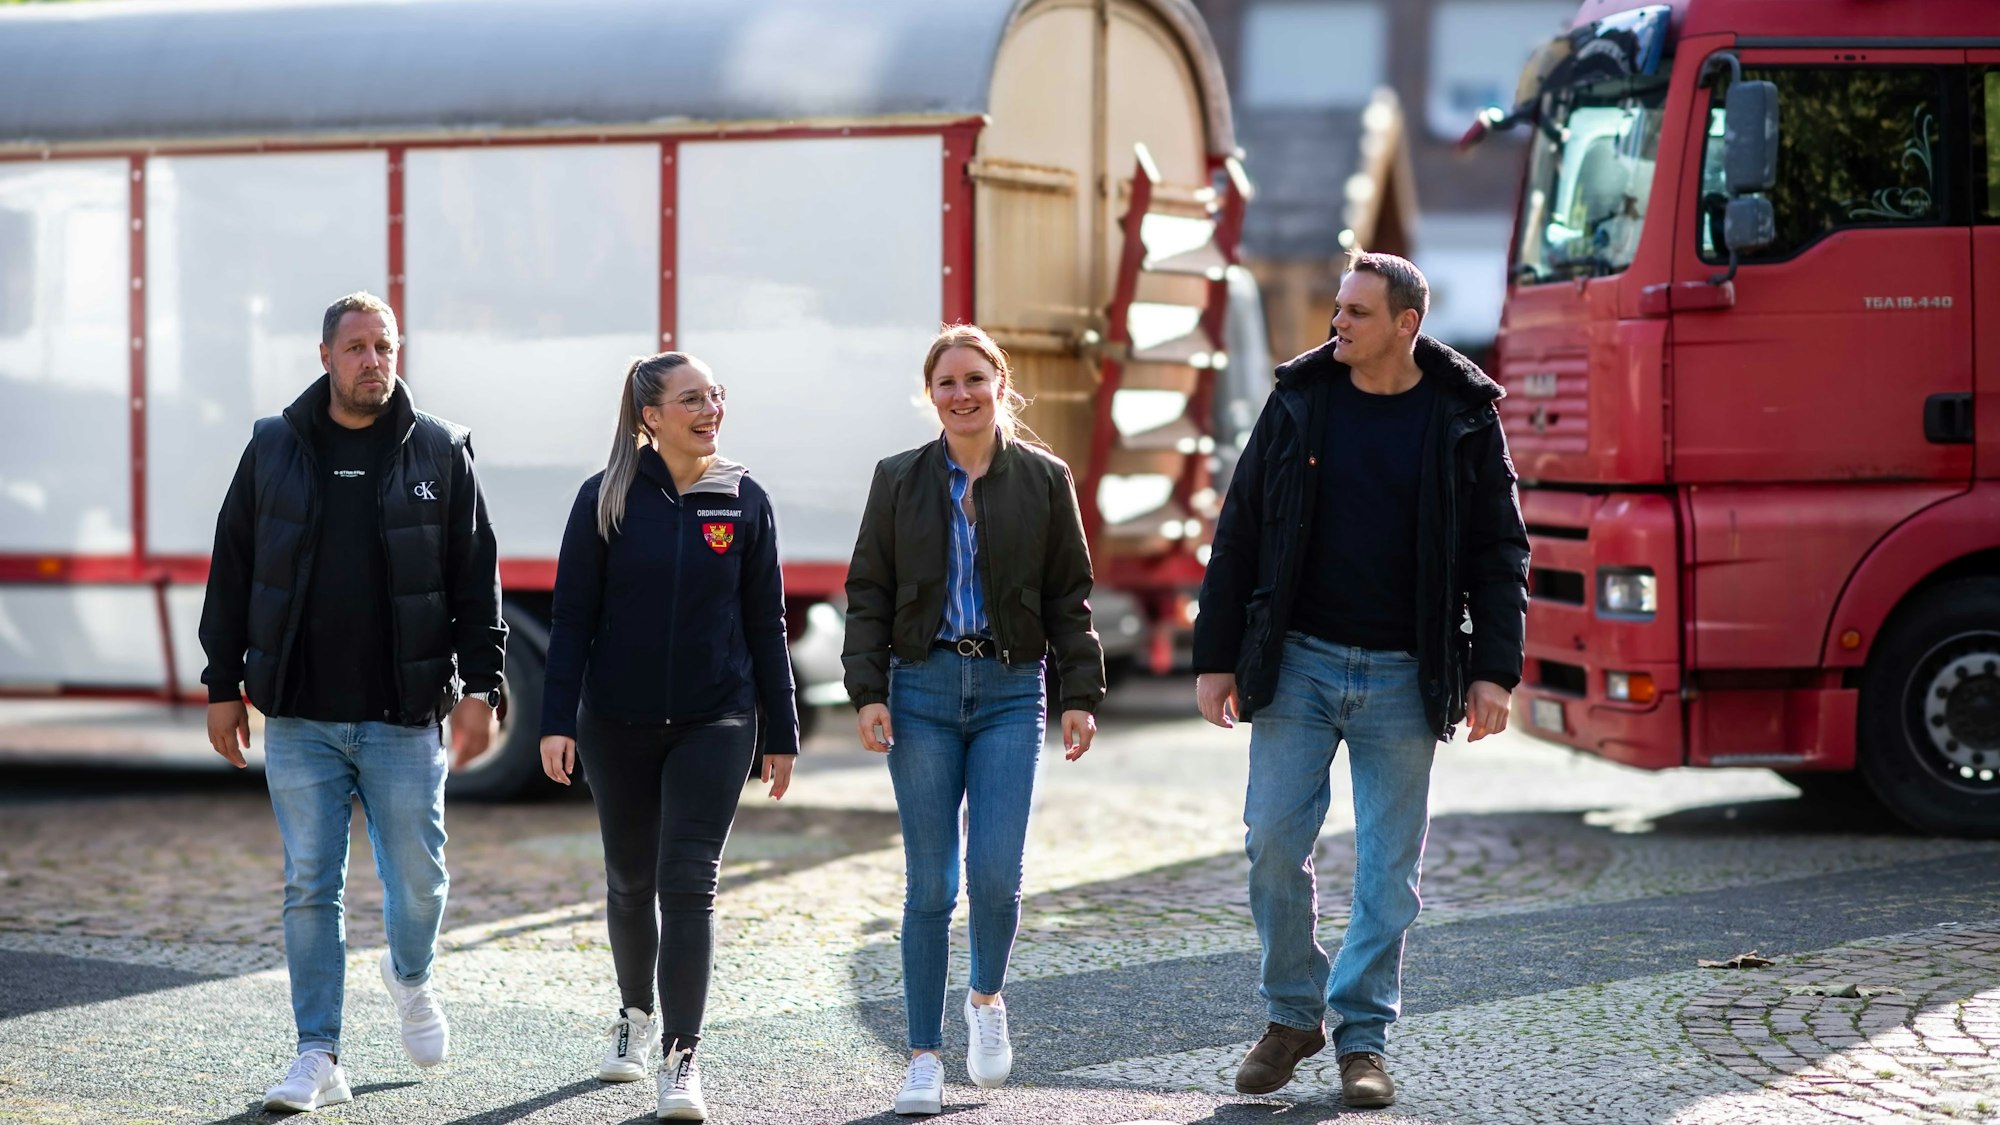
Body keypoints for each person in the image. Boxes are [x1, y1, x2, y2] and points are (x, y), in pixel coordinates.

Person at [1192, 252, 1529, 1109]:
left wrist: (1493, 669)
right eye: (1338, 308)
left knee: (1387, 870)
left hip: (1406, 674)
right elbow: (1239, 528)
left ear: (1407, 323)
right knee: (1272, 841)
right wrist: (1215, 655)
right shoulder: (1299, 399)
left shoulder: (1462, 416)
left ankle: (1363, 1038)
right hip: (1296, 660)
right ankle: (1293, 1013)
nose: (1337, 324)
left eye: (1357, 312)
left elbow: (1500, 551)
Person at [199, 291, 507, 1114]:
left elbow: (478, 581)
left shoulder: (439, 449)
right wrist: (222, 684)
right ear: (326, 356)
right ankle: (318, 1052)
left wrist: (484, 687)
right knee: (310, 883)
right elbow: (233, 570)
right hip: (298, 713)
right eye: (359, 347)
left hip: (402, 714)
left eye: (387, 345)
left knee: (419, 880)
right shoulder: (274, 446)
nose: (375, 360)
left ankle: (408, 974)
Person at [842, 324, 1105, 1116]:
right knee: (932, 882)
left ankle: (985, 999)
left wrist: (1081, 694)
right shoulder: (898, 479)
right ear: (932, 395)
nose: (961, 394)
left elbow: (1070, 594)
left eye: (974, 378)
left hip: (1008, 689)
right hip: (919, 687)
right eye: (946, 382)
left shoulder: (1043, 478)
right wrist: (867, 689)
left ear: (1001, 385)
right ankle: (923, 1054)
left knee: (995, 873)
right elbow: (869, 591)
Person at [537, 351, 797, 1122]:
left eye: (715, 394)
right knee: (629, 879)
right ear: (651, 417)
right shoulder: (605, 498)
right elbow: (572, 617)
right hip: (614, 721)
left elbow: (766, 623)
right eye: (691, 398)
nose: (710, 407)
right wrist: (556, 720)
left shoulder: (745, 499)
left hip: (716, 719)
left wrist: (779, 730)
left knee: (689, 883)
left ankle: (681, 1058)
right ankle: (634, 1015)